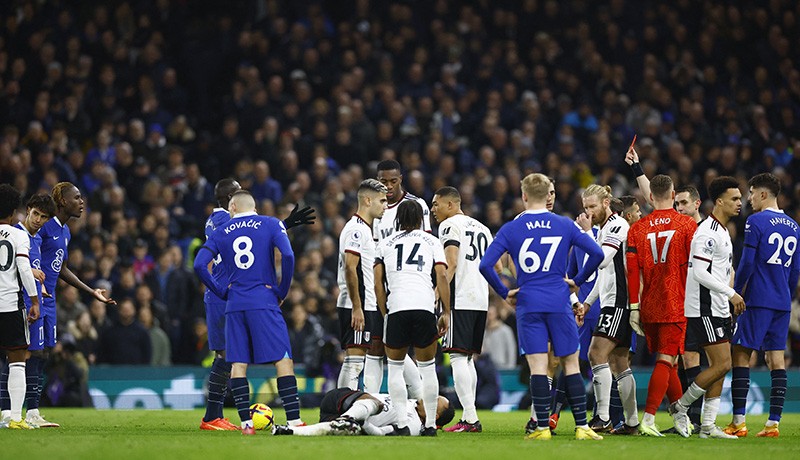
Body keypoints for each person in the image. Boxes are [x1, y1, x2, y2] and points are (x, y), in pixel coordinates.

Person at [479, 173, 604, 441]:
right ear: (549, 194)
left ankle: (542, 427)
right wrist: (576, 282)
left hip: (528, 301)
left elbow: (486, 264)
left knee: (537, 365)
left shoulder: (512, 228)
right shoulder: (564, 224)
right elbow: (597, 254)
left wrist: (505, 292)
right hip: (559, 299)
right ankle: (582, 426)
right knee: (570, 363)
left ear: (524, 196)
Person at [199, 178, 315, 431]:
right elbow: (250, 233)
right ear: (231, 200)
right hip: (232, 293)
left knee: (232, 357)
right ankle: (212, 415)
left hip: (229, 295)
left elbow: (243, 235)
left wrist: (283, 225)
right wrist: (280, 227)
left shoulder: (219, 223)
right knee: (231, 355)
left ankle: (225, 417)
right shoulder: (222, 220)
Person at [626, 148, 705, 431]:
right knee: (667, 359)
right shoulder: (687, 226)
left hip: (648, 304)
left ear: (650, 198)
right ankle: (648, 418)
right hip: (677, 301)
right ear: (673, 196)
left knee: (669, 363)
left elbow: (632, 271)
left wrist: (634, 306)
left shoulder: (637, 228)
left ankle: (679, 414)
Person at [33, 182, 116, 427]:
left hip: (50, 301)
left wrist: (91, 292)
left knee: (44, 353)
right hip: (35, 297)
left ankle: (32, 411)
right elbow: (30, 255)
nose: (82, 202)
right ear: (62, 202)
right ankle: (17, 411)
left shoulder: (65, 232)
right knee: (31, 353)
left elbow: (62, 269)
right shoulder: (45, 226)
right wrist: (36, 284)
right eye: (77, 198)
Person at [669, 176, 745, 439]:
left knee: (720, 366)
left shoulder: (723, 230)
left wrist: (727, 296)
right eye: (735, 198)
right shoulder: (707, 233)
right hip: (703, 307)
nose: (740, 202)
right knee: (722, 364)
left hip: (718, 306)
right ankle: (680, 406)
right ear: (720, 201)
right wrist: (731, 293)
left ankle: (708, 426)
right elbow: (699, 272)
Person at [725, 173, 800, 438]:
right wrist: (785, 296)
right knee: (776, 359)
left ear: (764, 195)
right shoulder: (793, 226)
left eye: (752, 193)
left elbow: (746, 262)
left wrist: (736, 293)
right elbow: (795, 271)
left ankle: (739, 422)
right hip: (782, 302)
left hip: (757, 300)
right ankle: (773, 424)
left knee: (741, 354)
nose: (749, 198)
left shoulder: (756, 221)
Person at [374, 200, 449, 436]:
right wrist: (446, 310)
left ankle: (402, 424)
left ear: (397, 218)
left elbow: (377, 282)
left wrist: (385, 311)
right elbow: (442, 275)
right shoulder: (432, 241)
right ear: (420, 219)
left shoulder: (385, 243)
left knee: (395, 370)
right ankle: (429, 426)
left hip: (397, 307)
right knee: (428, 369)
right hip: (424, 308)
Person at [365, 159, 432, 395]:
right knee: (375, 346)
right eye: (384, 182)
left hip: (407, 286)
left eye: (393, 181)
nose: (389, 186)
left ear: (401, 179)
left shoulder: (417, 205)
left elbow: (425, 245)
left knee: (401, 348)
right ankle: (372, 399)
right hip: (378, 285)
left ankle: (421, 399)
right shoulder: (372, 207)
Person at [431, 186, 493, 433]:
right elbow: (494, 266)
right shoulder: (483, 228)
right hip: (479, 298)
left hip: (458, 298)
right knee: (467, 358)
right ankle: (471, 414)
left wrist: (437, 295)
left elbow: (452, 263)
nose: (433, 209)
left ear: (450, 204)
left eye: (436, 204)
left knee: (457, 356)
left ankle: (470, 418)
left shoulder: (449, 226)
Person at [579, 185, 639, 434]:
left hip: (618, 304)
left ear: (606, 203)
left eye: (592, 207)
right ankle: (633, 422)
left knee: (596, 354)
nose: (589, 213)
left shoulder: (617, 226)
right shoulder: (605, 228)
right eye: (585, 208)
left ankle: (602, 416)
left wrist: (585, 234)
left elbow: (600, 260)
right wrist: (589, 302)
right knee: (619, 363)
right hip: (612, 301)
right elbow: (604, 275)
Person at [0, 194, 55, 426]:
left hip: (22, 303)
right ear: (23, 211)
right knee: (17, 359)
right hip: (15, 304)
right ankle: (12, 415)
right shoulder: (19, 234)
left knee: (31, 357)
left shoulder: (36, 238)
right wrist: (34, 296)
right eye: (36, 214)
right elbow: (22, 268)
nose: (39, 220)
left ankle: (27, 412)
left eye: (44, 217)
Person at [336, 179, 388, 390]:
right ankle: (343, 413)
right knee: (354, 362)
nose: (385, 205)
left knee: (357, 360)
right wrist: (357, 307)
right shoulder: (356, 229)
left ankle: (344, 410)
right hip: (356, 304)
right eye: (382, 201)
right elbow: (350, 267)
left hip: (365, 304)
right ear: (368, 200)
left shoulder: (365, 229)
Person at [271, 388, 454, 436]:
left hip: (342, 417)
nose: (430, 396)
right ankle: (347, 418)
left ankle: (287, 430)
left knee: (345, 430)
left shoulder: (413, 426)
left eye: (435, 400)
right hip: (341, 399)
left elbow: (382, 433)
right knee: (376, 404)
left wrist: (364, 424)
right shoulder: (414, 401)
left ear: (435, 415)